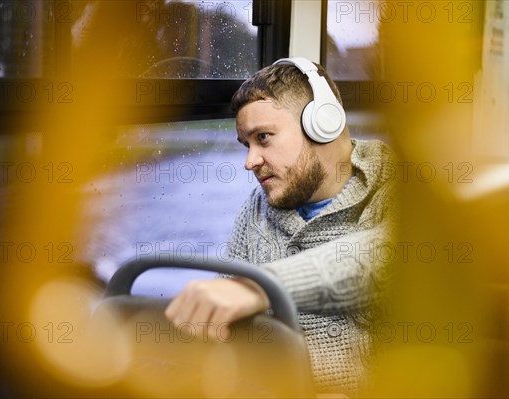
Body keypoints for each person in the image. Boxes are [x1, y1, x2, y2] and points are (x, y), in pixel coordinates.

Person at [165, 57, 396, 395]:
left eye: (263, 138)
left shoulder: (400, 190)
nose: (249, 162)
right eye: (247, 145)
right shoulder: (257, 209)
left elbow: (378, 259)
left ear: (323, 124)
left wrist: (260, 287)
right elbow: (223, 323)